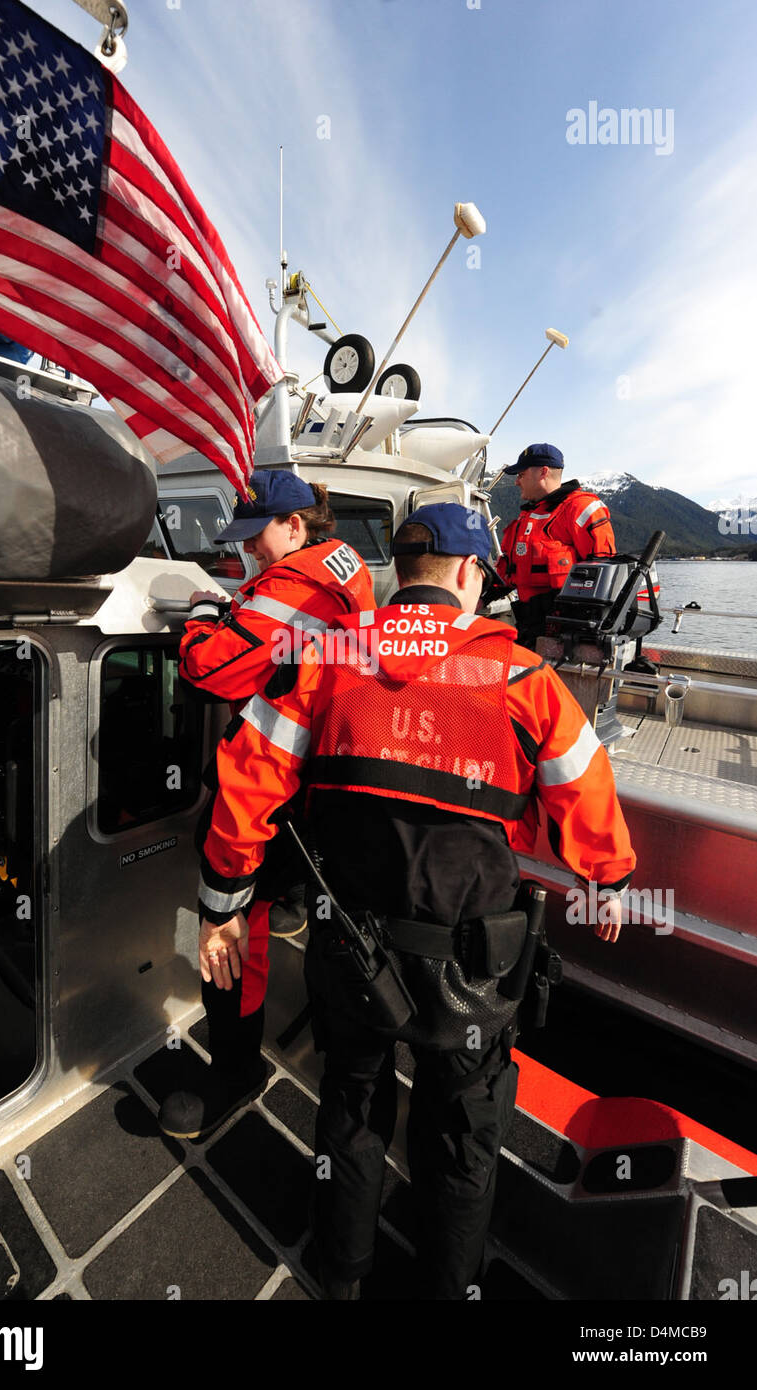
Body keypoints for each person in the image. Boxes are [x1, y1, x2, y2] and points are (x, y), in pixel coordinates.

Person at [195, 502, 635, 1299]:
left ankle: (339, 1272)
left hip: (350, 955)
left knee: (352, 1110)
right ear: (470, 575)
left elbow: (244, 782)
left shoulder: (322, 661)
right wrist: (607, 878)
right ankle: (446, 1285)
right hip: (475, 968)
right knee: (461, 1132)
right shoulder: (522, 678)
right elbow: (584, 785)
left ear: (397, 577)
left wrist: (223, 903)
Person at [159, 468, 374, 1142]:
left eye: (258, 537)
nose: (249, 550)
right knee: (281, 916)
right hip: (320, 793)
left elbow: (211, 670)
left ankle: (234, 1070)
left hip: (265, 796)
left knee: (226, 934)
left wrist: (201, 615)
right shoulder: (344, 571)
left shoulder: (294, 586)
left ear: (296, 524)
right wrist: (243, 604)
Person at [496, 443, 616, 649]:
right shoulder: (527, 516)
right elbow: (508, 571)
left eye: (521, 474)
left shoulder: (581, 508)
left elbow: (604, 575)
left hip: (565, 632)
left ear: (543, 472)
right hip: (527, 626)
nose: (516, 482)